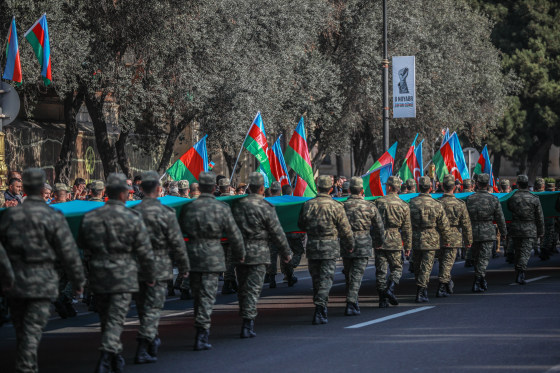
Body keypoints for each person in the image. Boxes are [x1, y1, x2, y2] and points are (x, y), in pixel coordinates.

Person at [0, 168, 85, 373]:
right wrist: (78, 281)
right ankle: (26, 366)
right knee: (31, 332)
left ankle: (26, 362)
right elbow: (68, 251)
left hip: (15, 283)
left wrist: (6, 276)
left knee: (24, 331)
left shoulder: (9, 216)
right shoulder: (53, 216)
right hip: (41, 283)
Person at [78, 173, 156, 372]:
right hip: (123, 274)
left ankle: (115, 357)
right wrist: (149, 275)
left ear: (106, 193)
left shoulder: (91, 217)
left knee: (106, 317)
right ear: (123, 194)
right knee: (115, 318)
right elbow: (144, 251)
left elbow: (82, 244)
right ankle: (106, 356)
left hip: (98, 273)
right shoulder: (132, 217)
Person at [179, 171, 245, 350]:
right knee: (207, 296)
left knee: (198, 295)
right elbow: (233, 233)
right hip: (212, 256)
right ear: (214, 188)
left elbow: (181, 231)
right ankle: (202, 331)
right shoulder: (221, 208)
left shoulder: (188, 207)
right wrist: (240, 253)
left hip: (193, 255)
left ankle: (200, 326)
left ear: (199, 188)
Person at [132, 171, 190, 363]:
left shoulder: (133, 212)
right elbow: (177, 242)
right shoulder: (166, 213)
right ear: (158, 189)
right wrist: (183, 266)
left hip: (137, 266)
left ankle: (150, 338)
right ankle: (145, 344)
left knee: (142, 308)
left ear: (140, 189)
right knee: (153, 309)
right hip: (158, 265)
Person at [232, 172, 291, 337]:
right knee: (252, 289)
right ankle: (247, 323)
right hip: (258, 253)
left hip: (240, 251)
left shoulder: (238, 205)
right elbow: (276, 232)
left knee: (243, 287)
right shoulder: (266, 207)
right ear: (262, 189)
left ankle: (245, 316)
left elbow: (231, 229)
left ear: (249, 187)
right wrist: (286, 252)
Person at [298, 175, 354, 324]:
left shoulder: (308, 204)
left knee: (316, 279)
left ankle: (319, 305)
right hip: (329, 247)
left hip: (312, 246)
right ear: (331, 189)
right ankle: (320, 307)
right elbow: (345, 229)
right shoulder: (336, 206)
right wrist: (350, 244)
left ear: (317, 188)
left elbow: (301, 224)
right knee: (326, 279)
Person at [341, 177, 384, 315]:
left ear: (349, 190)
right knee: (357, 274)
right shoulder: (370, 206)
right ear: (362, 191)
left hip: (346, 242)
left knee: (349, 274)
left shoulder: (342, 206)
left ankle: (352, 300)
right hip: (363, 242)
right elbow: (379, 227)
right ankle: (351, 302)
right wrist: (379, 242)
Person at [409, 176, 451, 303]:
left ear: (418, 187)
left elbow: (407, 222)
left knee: (417, 264)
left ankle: (420, 286)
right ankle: (421, 290)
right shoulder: (436, 204)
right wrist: (447, 238)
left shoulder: (412, 203)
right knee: (426, 266)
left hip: (416, 237)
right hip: (432, 238)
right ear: (430, 188)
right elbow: (443, 224)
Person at [374, 176, 412, 308]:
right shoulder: (404, 205)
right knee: (397, 268)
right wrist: (408, 246)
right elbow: (407, 228)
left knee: (381, 271)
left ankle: (382, 299)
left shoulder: (379, 202)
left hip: (380, 239)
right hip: (395, 239)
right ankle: (390, 289)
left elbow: (373, 223)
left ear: (389, 187)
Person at [466, 173, 507, 292]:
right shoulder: (493, 199)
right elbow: (500, 217)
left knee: (476, 257)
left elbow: (466, 217)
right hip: (488, 232)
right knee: (484, 258)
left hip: (473, 231)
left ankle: (480, 278)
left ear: (477, 184)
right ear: (487, 184)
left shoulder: (470, 199)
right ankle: (479, 279)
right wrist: (503, 232)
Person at [437, 175, 472, 297]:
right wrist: (468, 241)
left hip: (439, 235)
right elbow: (466, 224)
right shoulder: (460, 204)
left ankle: (447, 283)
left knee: (443, 261)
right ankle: (442, 284)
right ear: (454, 187)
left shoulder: (437, 203)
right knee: (447, 262)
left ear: (442, 186)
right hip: (453, 236)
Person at [507, 175, 544, 284]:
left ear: (518, 184)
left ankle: (518, 269)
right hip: (529, 228)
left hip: (516, 227)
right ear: (527, 185)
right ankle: (521, 271)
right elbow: (539, 216)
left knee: (518, 251)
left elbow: (509, 208)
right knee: (525, 252)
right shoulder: (534, 198)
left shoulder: (512, 197)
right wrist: (541, 231)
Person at [218, 177, 238, 294]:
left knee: (226, 261)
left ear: (219, 188)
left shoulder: (214, 201)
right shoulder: (233, 201)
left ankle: (232, 283)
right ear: (229, 187)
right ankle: (227, 284)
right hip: (230, 236)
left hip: (219, 237)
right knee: (231, 262)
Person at [265, 181, 284, 288]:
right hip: (281, 233)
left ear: (270, 191)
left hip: (269, 234)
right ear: (279, 191)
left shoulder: (265, 202)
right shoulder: (284, 201)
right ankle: (289, 276)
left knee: (272, 257)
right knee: (284, 256)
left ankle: (271, 278)